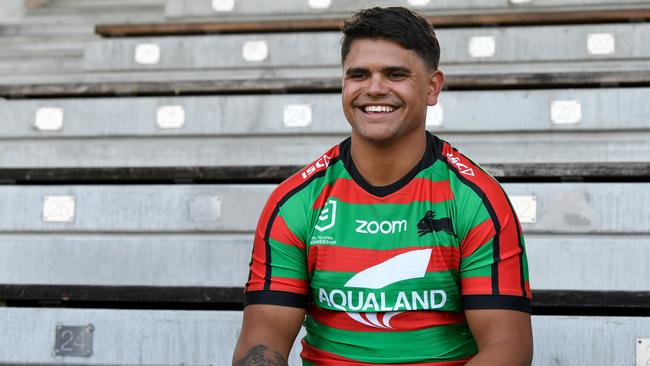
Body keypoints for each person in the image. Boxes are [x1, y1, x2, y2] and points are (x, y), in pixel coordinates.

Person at [233, 6, 532, 366]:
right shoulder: (295, 201)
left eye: (395, 74)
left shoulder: (475, 199)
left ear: (432, 87)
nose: (374, 89)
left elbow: (507, 349)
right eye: (358, 74)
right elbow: (262, 342)